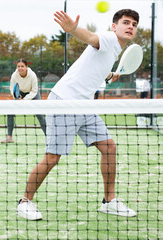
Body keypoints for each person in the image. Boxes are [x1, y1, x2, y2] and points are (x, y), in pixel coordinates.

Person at [17, 9, 139, 220]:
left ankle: (109, 201)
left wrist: (109, 76)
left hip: (84, 106)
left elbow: (94, 70)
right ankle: (25, 201)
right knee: (52, 158)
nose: (130, 27)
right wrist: (74, 30)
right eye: (126, 22)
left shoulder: (114, 50)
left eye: (134, 24)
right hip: (65, 102)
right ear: (114, 26)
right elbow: (91, 38)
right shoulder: (109, 39)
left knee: (109, 147)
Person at [1, 59, 46, 143]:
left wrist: (24, 100)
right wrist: (16, 96)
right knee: (10, 112)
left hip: (33, 94)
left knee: (40, 115)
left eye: (22, 66)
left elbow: (34, 91)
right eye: (18, 66)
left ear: (26, 67)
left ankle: (49, 137)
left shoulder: (32, 75)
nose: (20, 68)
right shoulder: (14, 75)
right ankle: (9, 137)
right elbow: (12, 88)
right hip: (20, 93)